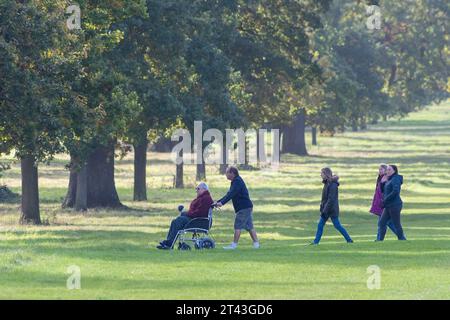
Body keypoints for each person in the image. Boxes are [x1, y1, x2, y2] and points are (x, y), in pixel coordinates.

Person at [214, 166, 260, 250]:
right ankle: (256, 244)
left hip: (244, 208)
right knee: (249, 226)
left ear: (232, 173)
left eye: (227, 173)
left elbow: (231, 194)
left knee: (237, 226)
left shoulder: (237, 182)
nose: (226, 175)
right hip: (246, 207)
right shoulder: (235, 181)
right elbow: (229, 194)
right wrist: (218, 202)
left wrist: (221, 203)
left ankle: (234, 245)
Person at [157, 182, 213, 249]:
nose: (196, 191)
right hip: (194, 219)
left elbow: (200, 213)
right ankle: (169, 242)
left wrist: (187, 213)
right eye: (196, 189)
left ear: (204, 189)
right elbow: (196, 211)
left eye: (198, 189)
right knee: (174, 221)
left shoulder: (206, 199)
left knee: (178, 221)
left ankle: (169, 244)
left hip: (198, 221)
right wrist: (186, 213)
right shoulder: (201, 198)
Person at [311, 168, 353, 245]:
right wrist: (322, 207)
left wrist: (325, 210)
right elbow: (324, 199)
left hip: (331, 210)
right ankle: (315, 242)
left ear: (326, 174)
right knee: (320, 225)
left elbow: (331, 199)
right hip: (326, 209)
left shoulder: (333, 185)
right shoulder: (327, 183)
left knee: (337, 225)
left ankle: (349, 240)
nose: (321, 175)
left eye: (322, 173)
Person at [377, 165, 407, 241]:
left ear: (394, 170)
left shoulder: (395, 178)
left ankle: (402, 239)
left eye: (390, 170)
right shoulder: (389, 179)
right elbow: (384, 191)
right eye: (387, 170)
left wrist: (385, 200)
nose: (388, 171)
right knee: (382, 223)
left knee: (396, 224)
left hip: (395, 205)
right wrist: (382, 183)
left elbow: (395, 191)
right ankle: (380, 241)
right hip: (388, 205)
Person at [370, 164, 397, 240]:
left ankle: (401, 236)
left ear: (386, 171)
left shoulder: (386, 179)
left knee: (387, 223)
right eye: (379, 169)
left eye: (381, 169)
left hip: (385, 204)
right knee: (383, 223)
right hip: (380, 204)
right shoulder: (380, 179)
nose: (379, 171)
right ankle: (379, 239)